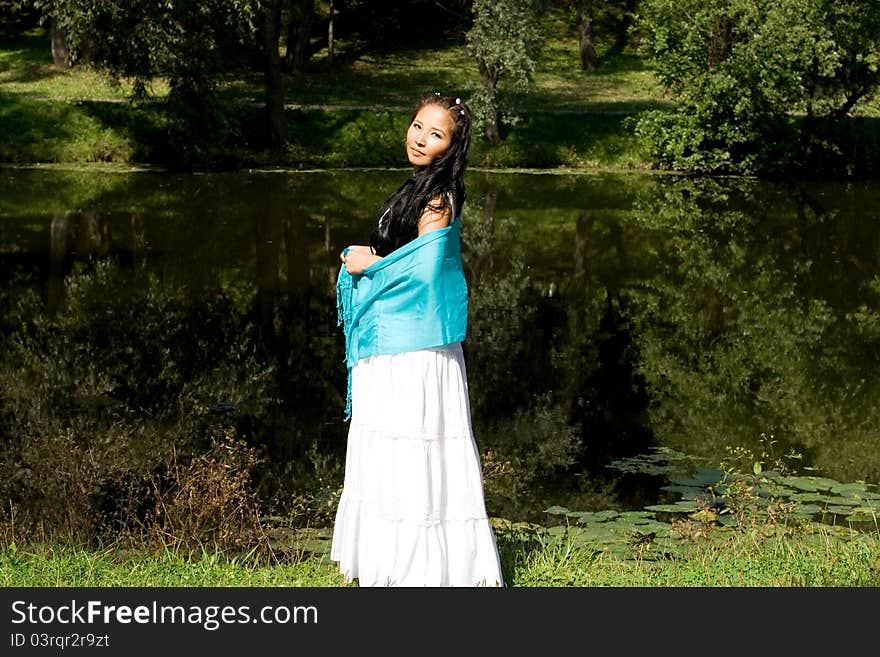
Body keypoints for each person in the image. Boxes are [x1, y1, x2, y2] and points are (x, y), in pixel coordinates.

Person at [330, 92, 504, 587]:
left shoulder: (437, 198)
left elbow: (426, 273)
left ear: (451, 147)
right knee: (390, 447)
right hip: (397, 341)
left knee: (414, 449)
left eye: (436, 134)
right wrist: (376, 253)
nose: (421, 138)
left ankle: (422, 572)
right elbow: (406, 253)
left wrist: (372, 264)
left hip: (417, 350)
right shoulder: (416, 189)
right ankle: (388, 562)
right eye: (417, 125)